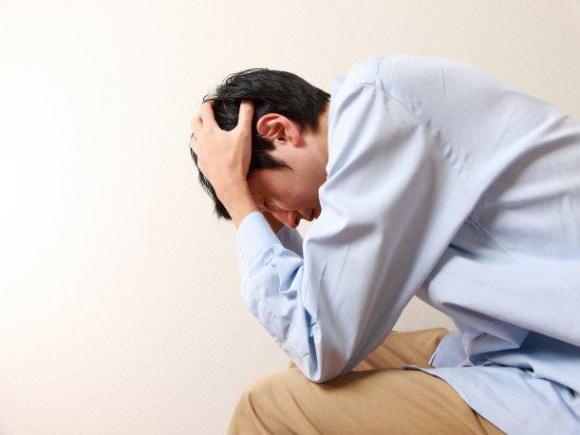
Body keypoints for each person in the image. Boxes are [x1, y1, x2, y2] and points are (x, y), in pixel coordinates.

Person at [189, 54, 580, 434]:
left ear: (279, 131)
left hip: (564, 373)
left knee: (268, 406)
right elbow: (315, 323)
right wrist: (246, 199)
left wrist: (236, 195)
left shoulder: (377, 112)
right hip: (525, 346)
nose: (288, 220)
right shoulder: (380, 112)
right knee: (326, 369)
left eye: (268, 202)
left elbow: (317, 341)